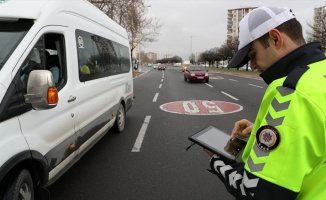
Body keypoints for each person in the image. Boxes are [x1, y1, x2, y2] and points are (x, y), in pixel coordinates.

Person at [205, 5, 326, 200]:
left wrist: (217, 160)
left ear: (275, 38)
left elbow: (256, 191)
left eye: (252, 55)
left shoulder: (292, 91)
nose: (252, 65)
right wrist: (261, 132)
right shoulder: (319, 73)